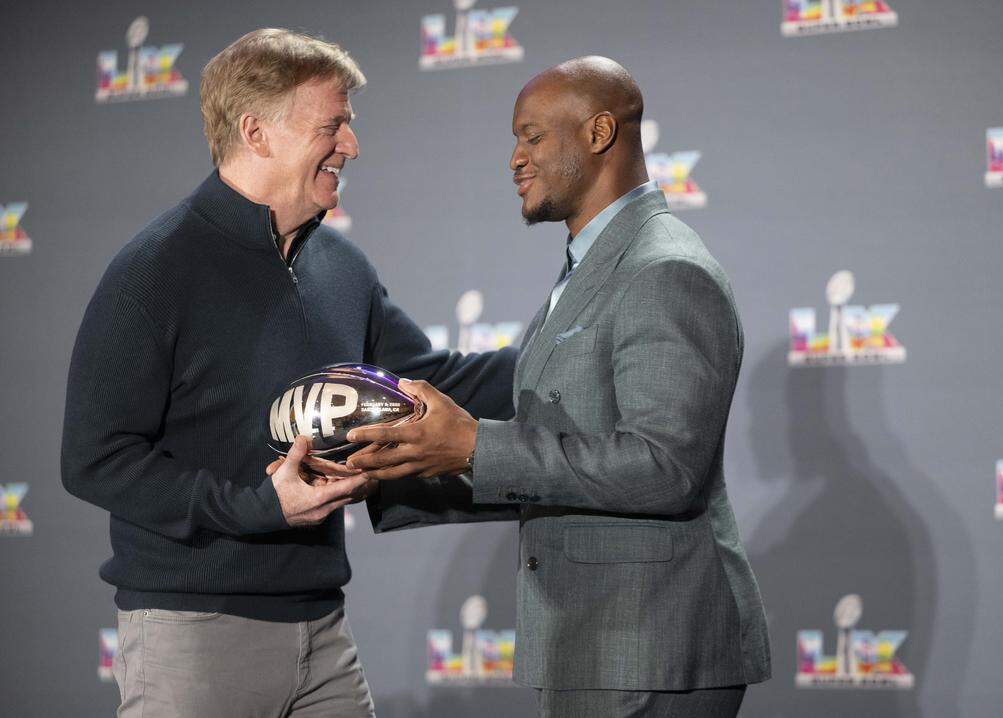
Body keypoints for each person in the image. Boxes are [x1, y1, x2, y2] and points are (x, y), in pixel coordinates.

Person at [60, 29, 515, 717]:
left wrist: (568, 353)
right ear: (257, 133)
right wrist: (255, 508)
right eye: (331, 126)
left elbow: (427, 382)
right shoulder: (155, 272)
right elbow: (93, 459)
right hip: (193, 638)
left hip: (323, 632)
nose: (351, 146)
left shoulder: (341, 266)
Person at [345, 56, 770, 717]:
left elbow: (665, 467)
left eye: (532, 136)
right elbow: (565, 461)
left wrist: (476, 447)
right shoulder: (594, 266)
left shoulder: (663, 270)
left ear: (599, 133)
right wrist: (402, 468)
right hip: (603, 645)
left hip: (650, 652)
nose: (514, 159)